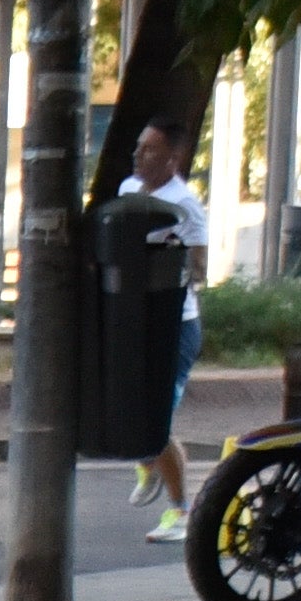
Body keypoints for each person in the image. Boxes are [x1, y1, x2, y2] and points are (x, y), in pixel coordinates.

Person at [117, 119, 207, 545]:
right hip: (135, 317)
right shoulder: (127, 193)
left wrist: (161, 258)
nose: (139, 155)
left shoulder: (184, 205)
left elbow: (200, 269)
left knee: (155, 420)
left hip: (175, 326)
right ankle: (147, 459)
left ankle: (181, 511)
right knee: (129, 408)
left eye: (150, 150)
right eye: (139, 146)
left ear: (173, 158)